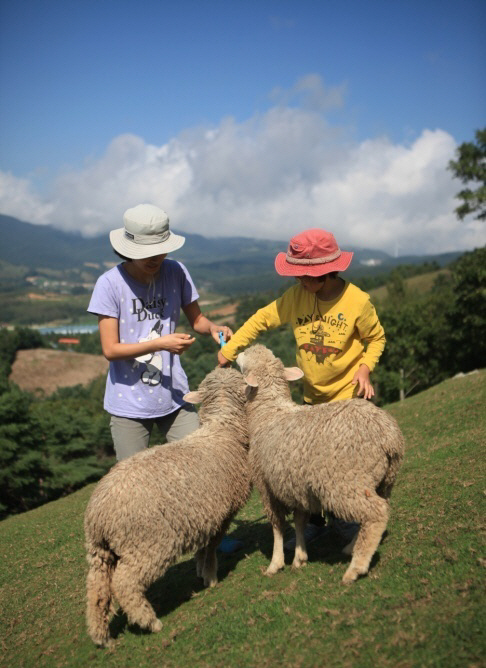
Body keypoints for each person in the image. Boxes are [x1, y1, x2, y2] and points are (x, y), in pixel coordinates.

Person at [217, 228, 386, 546]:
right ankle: (314, 521)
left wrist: (364, 368)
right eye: (298, 276)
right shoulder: (296, 298)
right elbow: (260, 320)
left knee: (341, 460)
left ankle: (347, 518)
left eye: (307, 277)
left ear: (326, 272)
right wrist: (229, 350)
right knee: (308, 460)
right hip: (311, 396)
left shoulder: (357, 302)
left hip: (346, 395)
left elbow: (376, 338)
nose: (301, 282)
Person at [88, 203, 232, 461]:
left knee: (200, 462)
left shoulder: (176, 271)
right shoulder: (109, 284)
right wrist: (161, 344)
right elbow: (110, 349)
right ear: (128, 250)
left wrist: (213, 328)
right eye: (147, 252)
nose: (156, 258)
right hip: (128, 401)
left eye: (161, 251)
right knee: (133, 482)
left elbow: (197, 319)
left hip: (175, 393)